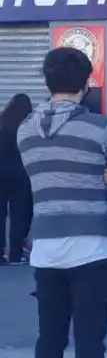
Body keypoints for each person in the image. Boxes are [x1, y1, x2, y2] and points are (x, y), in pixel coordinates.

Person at [18, 47, 107, 358]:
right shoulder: (100, 127)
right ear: (86, 83)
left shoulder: (24, 131)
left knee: (49, 340)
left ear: (47, 81)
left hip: (45, 250)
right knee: (89, 342)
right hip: (92, 249)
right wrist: (106, 174)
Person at [0, 93, 33, 265]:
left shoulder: (2, 122)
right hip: (21, 174)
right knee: (19, 215)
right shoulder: (27, 125)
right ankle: (15, 254)